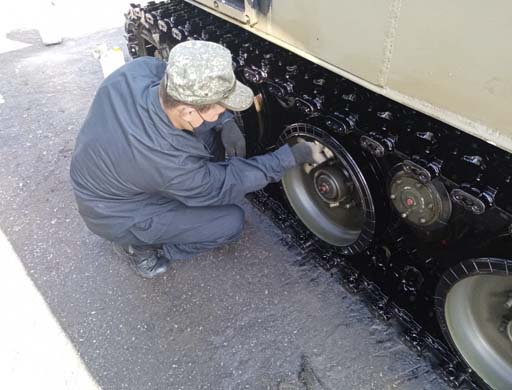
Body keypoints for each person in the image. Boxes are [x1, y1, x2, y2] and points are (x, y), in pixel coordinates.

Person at [70, 40, 327, 278]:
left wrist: (225, 122)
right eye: (221, 106)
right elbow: (222, 185)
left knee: (207, 131)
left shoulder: (138, 71)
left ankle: (173, 209)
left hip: (114, 171)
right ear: (188, 111)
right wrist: (288, 158)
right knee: (229, 222)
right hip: (115, 213)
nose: (225, 110)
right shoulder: (170, 162)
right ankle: (143, 247)